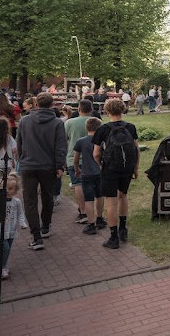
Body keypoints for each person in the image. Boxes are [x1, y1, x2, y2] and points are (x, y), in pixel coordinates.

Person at [16, 92, 66, 250]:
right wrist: (59, 165)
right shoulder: (57, 123)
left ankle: (36, 236)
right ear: (52, 104)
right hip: (48, 166)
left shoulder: (24, 121)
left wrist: (21, 161)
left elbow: (19, 143)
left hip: (29, 165)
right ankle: (45, 226)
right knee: (47, 196)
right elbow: (60, 146)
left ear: (36, 104)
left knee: (30, 200)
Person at [92, 98, 139, 249]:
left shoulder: (102, 129)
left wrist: (101, 166)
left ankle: (113, 237)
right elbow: (136, 149)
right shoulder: (130, 127)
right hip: (127, 168)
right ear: (122, 110)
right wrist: (135, 168)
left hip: (110, 169)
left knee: (111, 201)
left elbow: (96, 154)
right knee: (123, 196)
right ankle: (123, 229)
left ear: (106, 112)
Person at [73, 117, 107, 233]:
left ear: (86, 127)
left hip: (86, 173)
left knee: (88, 198)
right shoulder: (102, 141)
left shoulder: (81, 141)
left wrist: (77, 170)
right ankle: (100, 218)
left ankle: (91, 224)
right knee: (100, 195)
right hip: (100, 172)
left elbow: (76, 159)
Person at [65, 99, 94, 224]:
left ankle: (83, 212)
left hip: (73, 158)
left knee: (77, 184)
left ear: (79, 109)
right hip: (92, 158)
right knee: (91, 186)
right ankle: (92, 212)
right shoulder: (95, 122)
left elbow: (64, 139)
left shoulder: (69, 122)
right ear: (91, 109)